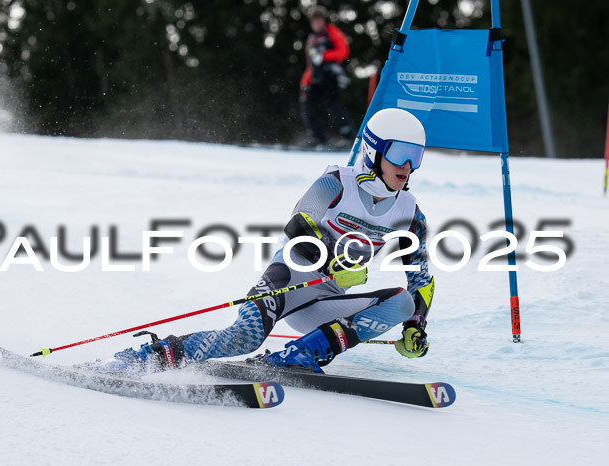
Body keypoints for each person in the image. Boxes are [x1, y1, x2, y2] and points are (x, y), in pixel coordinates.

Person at [100, 108, 434, 375]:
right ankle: (152, 355)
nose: (407, 166)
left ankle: (301, 354)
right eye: (400, 153)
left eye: (416, 157)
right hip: (286, 282)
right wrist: (334, 261)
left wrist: (415, 323)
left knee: (402, 302)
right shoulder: (336, 182)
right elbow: (298, 227)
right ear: (375, 150)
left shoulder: (409, 211)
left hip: (324, 305)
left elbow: (420, 276)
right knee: (243, 338)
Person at [299, 5, 356, 148]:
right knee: (308, 107)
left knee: (334, 107)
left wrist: (324, 56)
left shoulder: (333, 32)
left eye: (318, 20)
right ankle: (318, 139)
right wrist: (305, 80)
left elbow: (343, 51)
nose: (316, 23)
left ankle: (349, 137)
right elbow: (310, 63)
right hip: (314, 78)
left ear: (324, 20)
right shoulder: (311, 38)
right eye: (313, 20)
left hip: (330, 76)